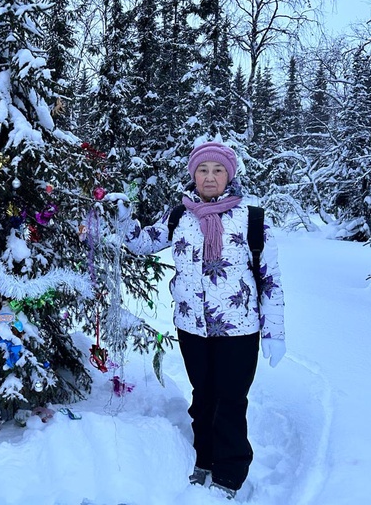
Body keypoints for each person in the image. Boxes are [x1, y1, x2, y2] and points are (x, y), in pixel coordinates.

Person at [118, 141, 286, 500]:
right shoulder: (179, 215)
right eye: (203, 170)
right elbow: (141, 243)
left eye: (218, 170)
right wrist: (121, 216)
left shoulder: (253, 219)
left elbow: (270, 279)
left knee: (231, 399)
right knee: (203, 397)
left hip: (239, 329)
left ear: (230, 175)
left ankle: (230, 473)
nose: (210, 177)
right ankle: (205, 459)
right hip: (192, 326)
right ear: (193, 175)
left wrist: (274, 332)